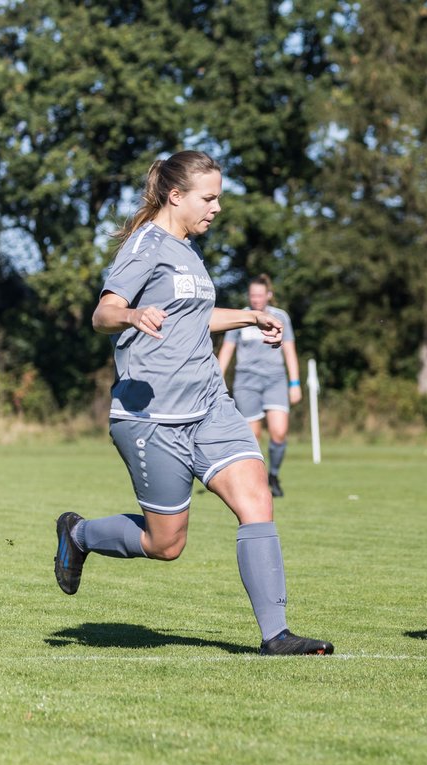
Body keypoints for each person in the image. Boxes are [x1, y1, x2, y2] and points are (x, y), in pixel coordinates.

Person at [51, 151, 333, 656]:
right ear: (175, 196)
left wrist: (248, 316)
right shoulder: (147, 245)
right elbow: (103, 312)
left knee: (257, 499)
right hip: (152, 418)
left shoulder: (188, 252)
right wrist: (133, 315)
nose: (218, 207)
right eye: (209, 197)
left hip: (209, 406)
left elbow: (193, 319)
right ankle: (80, 535)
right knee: (167, 544)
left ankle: (276, 635)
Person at [217, 274, 302, 498]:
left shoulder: (280, 317)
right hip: (247, 381)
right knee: (253, 436)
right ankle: (259, 481)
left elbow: (290, 350)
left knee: (279, 432)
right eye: (252, 295)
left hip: (275, 380)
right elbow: (227, 351)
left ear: (269, 295)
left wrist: (295, 383)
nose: (256, 299)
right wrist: (217, 379)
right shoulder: (241, 318)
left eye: (260, 295)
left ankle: (273, 475)